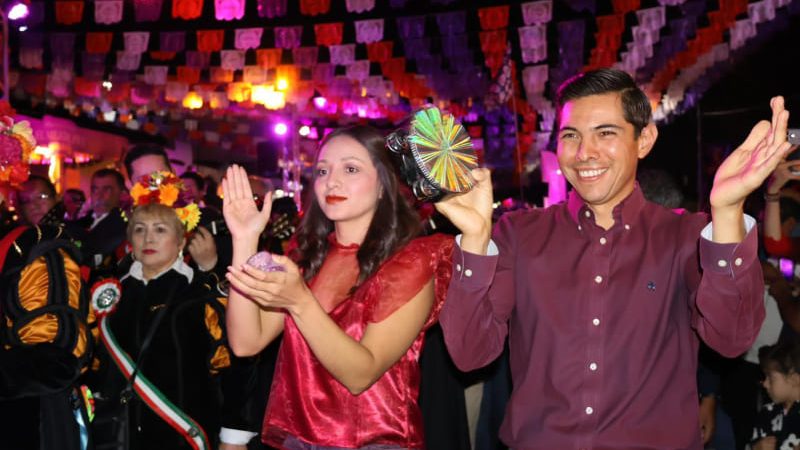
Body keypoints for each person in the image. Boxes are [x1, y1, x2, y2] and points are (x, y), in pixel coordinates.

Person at [436, 68, 784, 448]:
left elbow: (731, 339)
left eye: (606, 133)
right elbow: (470, 354)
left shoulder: (686, 237)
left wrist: (729, 211)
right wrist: (473, 239)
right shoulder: (517, 235)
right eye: (571, 136)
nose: (585, 153)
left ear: (644, 139)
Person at [222, 125, 454, 448]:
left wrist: (301, 302)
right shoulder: (308, 257)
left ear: (383, 185)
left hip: (374, 442)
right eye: (322, 170)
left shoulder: (410, 262)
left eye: (350, 169)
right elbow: (247, 342)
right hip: (299, 439)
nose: (332, 181)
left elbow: (360, 374)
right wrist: (244, 239)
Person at [88, 171, 256, 449]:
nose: (148, 239)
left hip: (182, 433)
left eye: (160, 230)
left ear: (181, 241)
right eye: (140, 229)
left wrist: (233, 436)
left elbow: (234, 371)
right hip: (118, 436)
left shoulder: (199, 296)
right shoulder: (111, 293)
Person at [0, 110, 93, 449]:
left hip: (29, 416)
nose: (33, 205)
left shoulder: (38, 247)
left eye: (39, 198)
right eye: (27, 201)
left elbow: (56, 358)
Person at [69, 168, 129, 274]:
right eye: (95, 189)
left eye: (107, 190)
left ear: (122, 193)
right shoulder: (81, 222)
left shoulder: (125, 226)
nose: (99, 196)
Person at [751, 340, 800, 450]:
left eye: (770, 378)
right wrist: (756, 448)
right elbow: (751, 443)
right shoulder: (767, 413)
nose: (764, 383)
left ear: (794, 379)